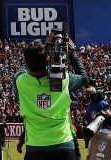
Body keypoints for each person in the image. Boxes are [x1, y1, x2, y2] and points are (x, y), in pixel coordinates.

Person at [12, 32, 90, 160]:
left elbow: (26, 66)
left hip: (35, 146)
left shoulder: (20, 81)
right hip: (63, 144)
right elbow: (84, 78)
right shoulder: (63, 80)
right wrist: (70, 54)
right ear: (47, 58)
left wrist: (46, 50)